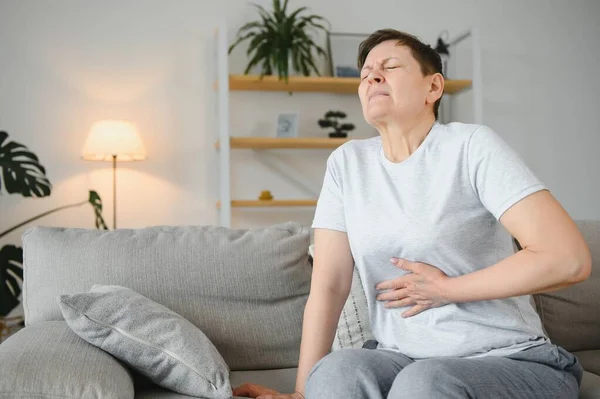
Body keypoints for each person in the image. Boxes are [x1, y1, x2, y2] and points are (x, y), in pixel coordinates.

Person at [233, 28, 591, 399]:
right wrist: (301, 393)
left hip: (510, 359)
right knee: (336, 372)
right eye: (365, 72)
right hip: (402, 358)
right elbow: (329, 285)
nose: (372, 76)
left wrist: (447, 290)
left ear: (433, 88)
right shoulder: (347, 163)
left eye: (389, 66)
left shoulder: (470, 146)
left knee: (425, 383)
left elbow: (568, 259)